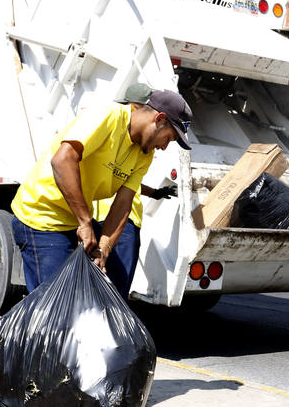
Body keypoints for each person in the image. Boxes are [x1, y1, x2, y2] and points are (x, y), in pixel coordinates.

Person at [11, 85, 192, 294]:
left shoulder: (144, 154)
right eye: (168, 138)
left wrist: (104, 248)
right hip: (42, 216)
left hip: (71, 224)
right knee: (53, 306)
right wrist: (85, 222)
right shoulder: (108, 116)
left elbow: (123, 202)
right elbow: (62, 160)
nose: (164, 146)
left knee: (74, 304)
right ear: (159, 119)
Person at [92, 83, 180, 299]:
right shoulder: (114, 127)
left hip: (111, 221)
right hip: (121, 224)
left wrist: (155, 193)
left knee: (104, 284)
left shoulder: (136, 148)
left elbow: (127, 184)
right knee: (115, 288)